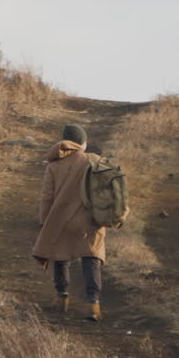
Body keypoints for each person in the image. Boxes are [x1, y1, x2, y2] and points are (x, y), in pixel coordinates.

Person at [33, 124, 107, 322]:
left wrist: (44, 221)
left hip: (61, 219)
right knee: (91, 258)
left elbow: (46, 197)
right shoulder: (95, 161)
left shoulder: (54, 165)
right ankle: (94, 305)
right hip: (90, 220)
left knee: (60, 256)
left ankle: (62, 298)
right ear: (83, 143)